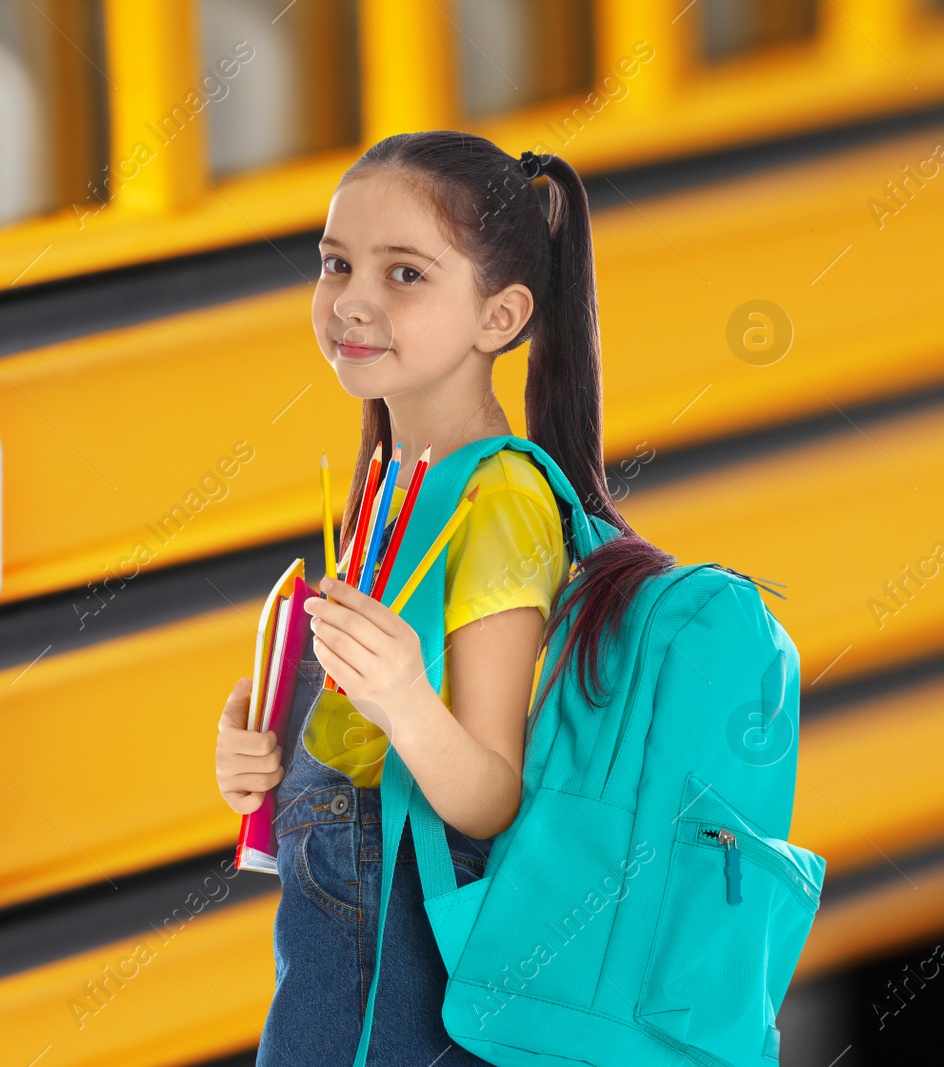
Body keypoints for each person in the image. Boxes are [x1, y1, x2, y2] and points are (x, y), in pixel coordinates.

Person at [213, 132, 670, 1065]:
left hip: (405, 954)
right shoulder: (395, 484)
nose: (353, 300)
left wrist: (403, 697)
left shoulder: (497, 498)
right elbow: (360, 734)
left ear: (499, 317)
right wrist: (267, 746)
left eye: (406, 275)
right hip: (340, 943)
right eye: (337, 263)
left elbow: (493, 794)